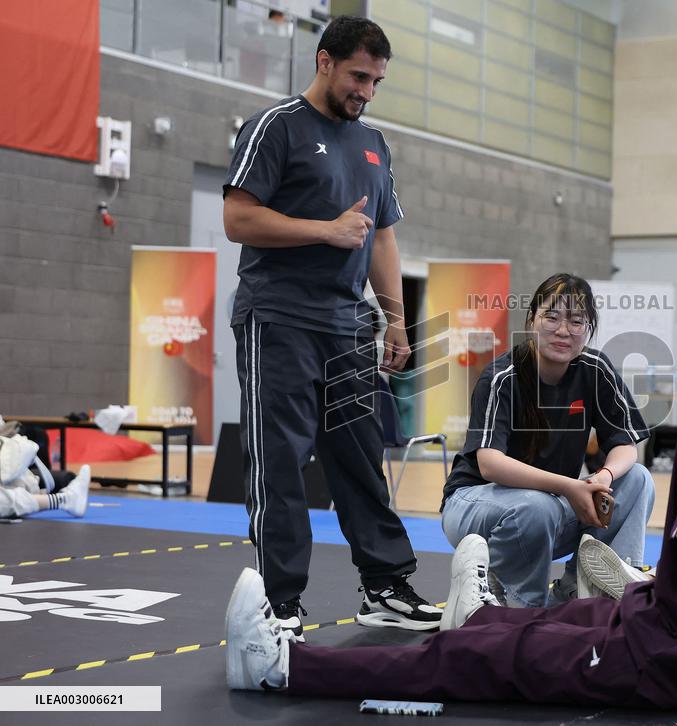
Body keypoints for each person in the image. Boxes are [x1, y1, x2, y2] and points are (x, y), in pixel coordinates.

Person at [224, 286, 677, 724]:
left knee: (472, 661)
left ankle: (281, 667)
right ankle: (482, 614)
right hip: (667, 625)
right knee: (541, 621)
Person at [221, 15, 440, 636]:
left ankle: (385, 585)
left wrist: (397, 322)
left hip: (348, 328)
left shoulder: (374, 145)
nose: (367, 91)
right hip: (279, 318)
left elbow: (382, 236)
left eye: (376, 81)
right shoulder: (276, 127)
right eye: (358, 76)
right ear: (324, 61)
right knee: (281, 463)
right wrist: (324, 230)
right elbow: (239, 219)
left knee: (361, 459)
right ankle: (280, 603)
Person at [440, 273, 656, 607]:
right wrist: (571, 487)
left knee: (638, 479)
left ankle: (587, 588)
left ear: (589, 328)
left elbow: (626, 445)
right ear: (531, 320)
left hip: (551, 507)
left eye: (576, 320)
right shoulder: (502, 376)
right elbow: (489, 463)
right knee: (535, 506)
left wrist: (603, 477)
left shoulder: (595, 369)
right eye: (551, 317)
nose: (563, 330)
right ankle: (519, 601)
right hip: (475, 505)